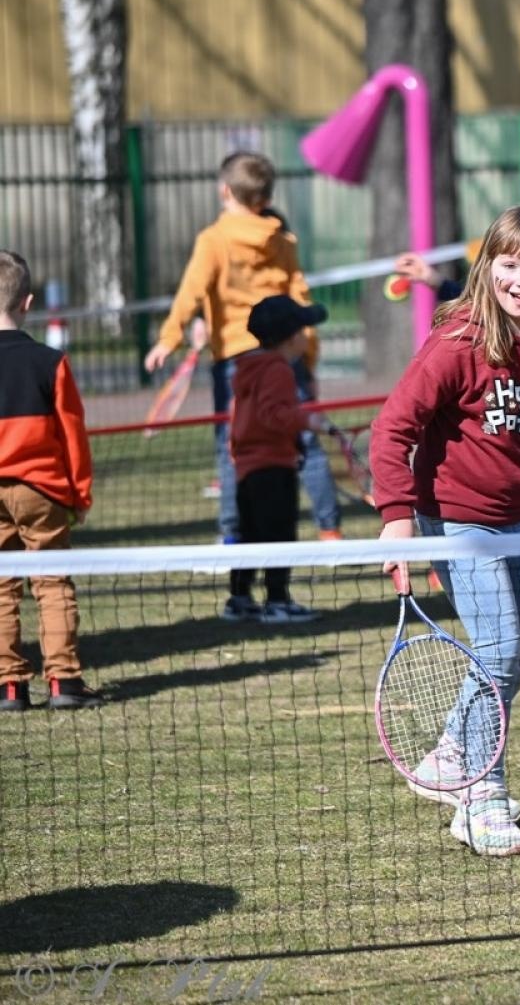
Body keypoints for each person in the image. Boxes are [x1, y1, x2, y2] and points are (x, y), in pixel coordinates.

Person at [370, 205, 520, 858]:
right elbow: (392, 430)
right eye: (509, 263)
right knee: (498, 648)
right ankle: (481, 792)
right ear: (488, 267)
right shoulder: (457, 344)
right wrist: (397, 519)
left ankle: (451, 751)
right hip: (455, 519)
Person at [143, 152, 344, 544]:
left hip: (237, 359)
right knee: (305, 438)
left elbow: (191, 291)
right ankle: (329, 529)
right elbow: (300, 300)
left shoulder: (213, 239)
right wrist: (308, 359)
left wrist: (170, 336)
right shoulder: (282, 241)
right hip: (287, 355)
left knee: (232, 446)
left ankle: (233, 536)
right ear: (266, 197)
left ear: (224, 191)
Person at [0, 250, 101, 711]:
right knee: (53, 581)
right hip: (41, 489)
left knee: (1, 586)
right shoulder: (51, 362)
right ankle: (63, 680)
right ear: (28, 303)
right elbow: (72, 435)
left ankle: (9, 686)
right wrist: (79, 493)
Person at [223, 295, 335, 623]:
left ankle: (239, 597)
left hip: (249, 465)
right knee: (279, 536)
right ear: (290, 337)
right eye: (303, 330)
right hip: (270, 465)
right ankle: (277, 601)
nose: (307, 336)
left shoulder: (249, 367)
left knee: (251, 535)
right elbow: (274, 415)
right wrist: (308, 421)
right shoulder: (276, 369)